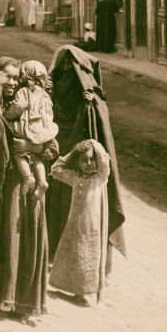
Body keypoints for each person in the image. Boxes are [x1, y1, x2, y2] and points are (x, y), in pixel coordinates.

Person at [0, 56, 49, 324]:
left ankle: (22, 304)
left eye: (16, 78)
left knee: (25, 239)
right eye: (7, 76)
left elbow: (49, 143)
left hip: (24, 183)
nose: (12, 83)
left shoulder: (27, 106)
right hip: (0, 185)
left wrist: (32, 148)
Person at [45, 45, 126, 270]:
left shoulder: (92, 100)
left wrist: (90, 105)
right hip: (58, 153)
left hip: (81, 163)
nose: (65, 74)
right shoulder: (52, 88)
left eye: (70, 71)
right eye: (61, 69)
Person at [49, 139, 111, 305]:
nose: (88, 163)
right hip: (74, 223)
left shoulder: (100, 178)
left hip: (91, 227)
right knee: (74, 254)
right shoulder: (75, 178)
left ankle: (84, 292)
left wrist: (92, 144)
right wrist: (73, 153)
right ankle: (74, 290)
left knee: (87, 257)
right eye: (84, 160)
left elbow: (105, 161)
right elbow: (55, 170)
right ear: (78, 162)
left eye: (92, 159)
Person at [3, 60, 59, 199]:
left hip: (27, 132)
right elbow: (49, 115)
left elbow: (16, 109)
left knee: (18, 152)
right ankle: (42, 182)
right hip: (41, 136)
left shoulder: (23, 92)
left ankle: (28, 177)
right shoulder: (45, 96)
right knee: (36, 157)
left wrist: (7, 115)